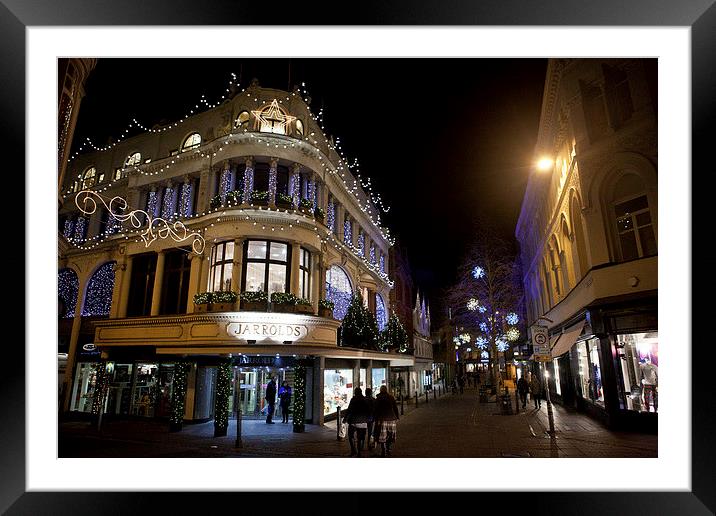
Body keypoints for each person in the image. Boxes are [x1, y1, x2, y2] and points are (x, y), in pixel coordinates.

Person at [342, 387, 371, 457]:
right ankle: (359, 453)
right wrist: (369, 419)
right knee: (360, 437)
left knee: (350, 436)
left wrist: (345, 419)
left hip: (353, 421)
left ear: (355, 392)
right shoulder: (365, 399)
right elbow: (369, 410)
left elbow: (349, 409)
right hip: (363, 422)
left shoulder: (353, 399)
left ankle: (353, 450)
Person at [373, 385, 400, 457]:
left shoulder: (378, 398)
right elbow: (395, 408)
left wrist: (375, 419)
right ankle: (389, 449)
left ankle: (384, 451)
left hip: (382, 420)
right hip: (391, 419)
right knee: (390, 435)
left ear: (380, 390)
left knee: (383, 436)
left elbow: (375, 409)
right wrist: (397, 417)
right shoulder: (391, 397)